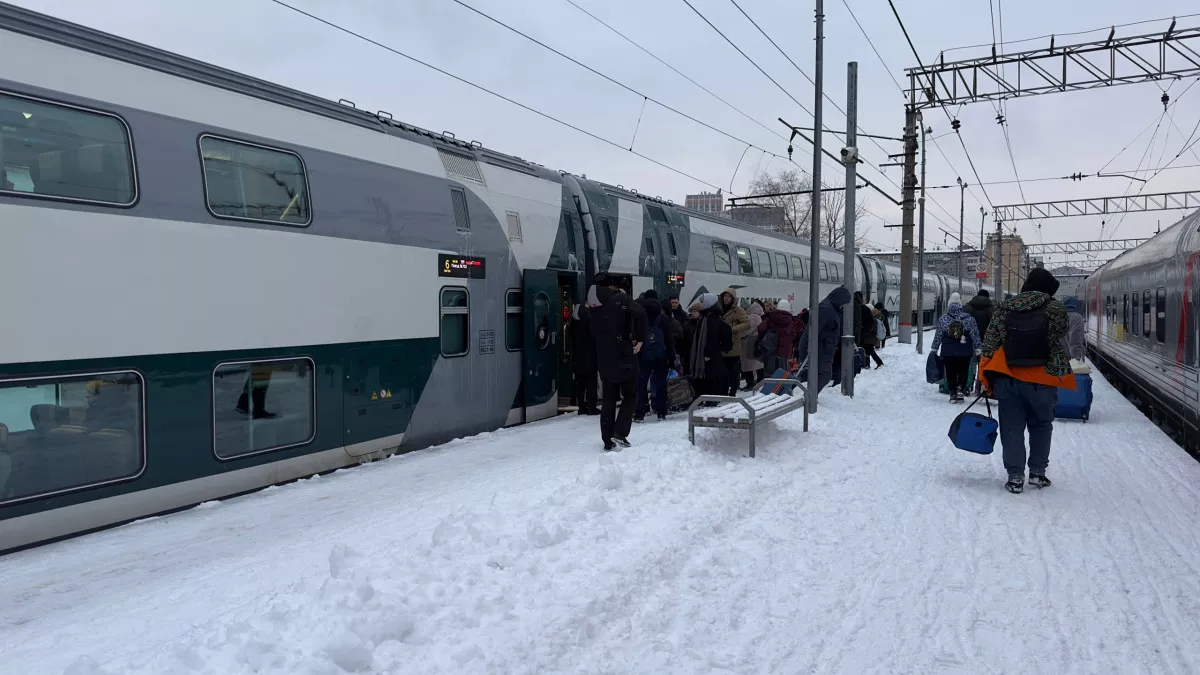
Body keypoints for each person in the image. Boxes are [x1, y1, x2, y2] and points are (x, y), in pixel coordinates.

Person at [979, 268, 1075, 494]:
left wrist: (985, 376)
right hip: (1043, 377)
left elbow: (990, 343)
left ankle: (1015, 477)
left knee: (1012, 429)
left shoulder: (1004, 307)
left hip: (1009, 377)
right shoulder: (1055, 308)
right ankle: (1038, 473)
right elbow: (1062, 332)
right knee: (1041, 425)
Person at [589, 273, 647, 451]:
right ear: (611, 286)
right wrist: (640, 338)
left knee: (609, 398)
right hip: (623, 354)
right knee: (630, 394)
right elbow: (641, 314)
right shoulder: (620, 298)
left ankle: (607, 440)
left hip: (603, 356)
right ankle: (619, 433)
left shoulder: (592, 303)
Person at [796, 287, 852, 391]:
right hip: (819, 352)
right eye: (843, 303)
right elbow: (810, 333)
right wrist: (804, 355)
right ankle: (808, 398)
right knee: (822, 376)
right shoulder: (826, 309)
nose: (843, 306)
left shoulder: (831, 309)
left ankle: (809, 397)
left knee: (824, 376)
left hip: (824, 352)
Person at [635, 290, 677, 422]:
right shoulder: (663, 317)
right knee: (660, 384)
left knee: (640, 385)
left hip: (643, 355)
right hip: (661, 356)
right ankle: (661, 412)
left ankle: (640, 412)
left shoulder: (640, 316)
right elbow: (669, 340)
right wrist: (672, 357)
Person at [932, 292, 982, 403]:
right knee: (963, 371)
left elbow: (938, 336)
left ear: (949, 305)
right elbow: (975, 335)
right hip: (965, 350)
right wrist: (978, 349)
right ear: (960, 305)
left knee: (950, 372)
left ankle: (953, 393)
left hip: (948, 351)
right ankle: (960, 389)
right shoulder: (969, 319)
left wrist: (934, 348)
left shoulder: (943, 319)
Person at [685, 293, 728, 400]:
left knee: (711, 376)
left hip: (710, 354)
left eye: (702, 302)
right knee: (709, 376)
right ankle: (709, 397)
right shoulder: (707, 316)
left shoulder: (711, 318)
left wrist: (708, 353)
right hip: (709, 353)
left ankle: (712, 398)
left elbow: (712, 337)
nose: (700, 304)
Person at [718, 288, 751, 396]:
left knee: (733, 370)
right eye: (725, 296)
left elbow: (747, 323)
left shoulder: (738, 310)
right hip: (721, 343)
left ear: (733, 299)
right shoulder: (719, 309)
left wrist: (733, 329)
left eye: (729, 297)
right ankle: (723, 390)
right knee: (722, 371)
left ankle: (732, 391)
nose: (726, 299)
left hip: (733, 345)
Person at [569, 303, 599, 415]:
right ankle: (592, 407)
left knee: (579, 382)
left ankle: (581, 406)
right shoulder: (589, 317)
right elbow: (594, 335)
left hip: (577, 355)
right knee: (591, 382)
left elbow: (570, 334)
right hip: (590, 355)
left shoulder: (574, 320)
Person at [757, 299, 797, 376]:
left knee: (769, 373)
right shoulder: (791, 320)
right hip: (784, 351)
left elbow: (761, 328)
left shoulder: (771, 317)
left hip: (770, 350)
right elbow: (794, 335)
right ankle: (781, 387)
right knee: (782, 374)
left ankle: (769, 387)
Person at [854, 291, 883, 369]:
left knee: (867, 351)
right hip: (871, 337)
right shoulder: (873, 317)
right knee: (869, 350)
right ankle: (875, 363)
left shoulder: (871, 318)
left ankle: (869, 364)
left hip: (869, 337)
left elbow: (869, 327)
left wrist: (863, 333)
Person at [741, 301, 765, 390]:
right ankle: (758, 382)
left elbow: (747, 330)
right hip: (753, 342)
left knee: (751, 365)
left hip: (750, 343)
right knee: (756, 364)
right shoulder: (756, 315)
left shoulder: (753, 316)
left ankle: (752, 383)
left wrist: (738, 333)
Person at [1062, 295, 1086, 361]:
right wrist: (1076, 358)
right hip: (1072, 359)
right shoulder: (1077, 318)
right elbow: (1076, 339)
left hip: (1059, 356)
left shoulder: (1058, 316)